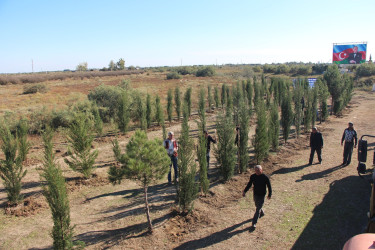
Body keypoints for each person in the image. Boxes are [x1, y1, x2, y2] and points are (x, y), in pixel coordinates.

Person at [242, 165, 272, 229]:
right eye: (256, 170)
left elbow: (269, 186)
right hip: (255, 194)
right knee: (257, 205)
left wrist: (269, 194)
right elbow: (249, 184)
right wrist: (245, 191)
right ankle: (262, 212)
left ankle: (254, 223)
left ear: (261, 170)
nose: (257, 172)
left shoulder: (265, 177)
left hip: (262, 194)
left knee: (258, 208)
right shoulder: (253, 176)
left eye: (258, 170)